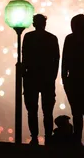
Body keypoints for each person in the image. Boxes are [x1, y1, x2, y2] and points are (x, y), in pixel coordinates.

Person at [22, 14, 60, 145]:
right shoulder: (52, 38)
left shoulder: (28, 37)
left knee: (32, 111)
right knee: (47, 111)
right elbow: (56, 60)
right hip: (47, 79)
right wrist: (53, 77)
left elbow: (25, 58)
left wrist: (24, 76)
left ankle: (34, 137)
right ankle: (48, 137)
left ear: (34, 23)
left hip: (32, 78)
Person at [62, 14, 84, 146]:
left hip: (75, 81)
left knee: (77, 113)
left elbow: (64, 62)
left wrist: (64, 80)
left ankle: (78, 140)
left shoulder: (69, 39)